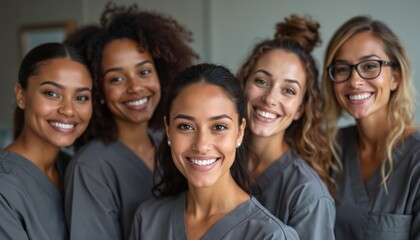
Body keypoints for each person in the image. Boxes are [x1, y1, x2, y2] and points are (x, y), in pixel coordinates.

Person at [63, 3, 198, 240]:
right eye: (116, 79)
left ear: (161, 75)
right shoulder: (90, 167)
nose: (135, 87)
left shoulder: (171, 143)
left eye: (144, 72)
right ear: (99, 92)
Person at [129, 63, 299, 240]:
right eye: (185, 126)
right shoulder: (147, 220)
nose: (201, 145)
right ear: (168, 129)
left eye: (218, 127)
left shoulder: (271, 236)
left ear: (240, 132)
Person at [237, 14, 336, 240]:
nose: (270, 98)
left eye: (288, 90)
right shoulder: (218, 159)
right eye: (261, 81)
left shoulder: (308, 195)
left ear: (300, 108)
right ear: (243, 85)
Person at [322, 16, 419, 240]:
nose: (355, 80)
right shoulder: (329, 148)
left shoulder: (416, 160)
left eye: (369, 66)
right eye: (342, 69)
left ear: (395, 77)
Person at [0, 42, 92, 239]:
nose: (68, 109)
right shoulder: (5, 186)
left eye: (82, 97)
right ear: (21, 95)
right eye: (52, 93)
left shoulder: (76, 170)